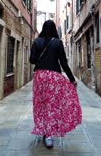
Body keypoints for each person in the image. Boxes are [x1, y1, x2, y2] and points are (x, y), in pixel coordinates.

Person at [29, 20, 82, 149]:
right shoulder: (58, 43)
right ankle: (49, 135)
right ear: (54, 30)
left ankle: (44, 130)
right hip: (54, 77)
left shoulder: (36, 42)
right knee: (52, 106)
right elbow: (63, 63)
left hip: (40, 76)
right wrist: (72, 79)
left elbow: (32, 60)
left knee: (41, 104)